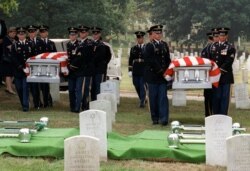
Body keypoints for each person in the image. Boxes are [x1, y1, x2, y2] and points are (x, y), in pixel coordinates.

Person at [144, 25, 171, 126]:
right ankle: (155, 118)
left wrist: (169, 70)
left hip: (163, 77)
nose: (159, 35)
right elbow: (150, 60)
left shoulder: (164, 45)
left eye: (160, 33)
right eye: (156, 33)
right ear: (152, 34)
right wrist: (160, 71)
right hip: (153, 76)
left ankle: (164, 118)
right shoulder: (149, 46)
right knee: (153, 97)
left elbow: (167, 59)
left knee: (163, 97)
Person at [209, 27, 236, 115]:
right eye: (220, 35)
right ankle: (216, 114)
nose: (221, 37)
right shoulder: (214, 46)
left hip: (225, 76)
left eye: (223, 35)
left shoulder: (230, 47)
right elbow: (211, 60)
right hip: (216, 77)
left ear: (226, 36)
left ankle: (223, 115)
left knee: (224, 97)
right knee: (216, 96)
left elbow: (229, 61)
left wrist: (220, 70)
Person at [11, 27, 34, 112]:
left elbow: (33, 56)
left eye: (23, 34)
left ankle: (25, 106)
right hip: (18, 70)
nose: (21, 36)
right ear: (17, 35)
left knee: (25, 88)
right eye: (20, 34)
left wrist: (28, 67)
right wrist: (21, 67)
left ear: (25, 35)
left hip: (27, 71)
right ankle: (23, 103)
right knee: (19, 88)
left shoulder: (30, 44)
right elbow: (13, 58)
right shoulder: (15, 45)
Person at [91, 27, 111, 100]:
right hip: (92, 69)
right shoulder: (90, 44)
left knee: (99, 86)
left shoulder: (104, 46)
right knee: (93, 87)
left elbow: (108, 56)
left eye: (96, 34)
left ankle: (99, 101)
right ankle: (93, 101)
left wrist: (104, 64)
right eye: (93, 34)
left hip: (100, 69)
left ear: (99, 34)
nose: (95, 35)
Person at [39, 25, 56, 108]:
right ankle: (44, 101)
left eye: (44, 32)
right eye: (41, 32)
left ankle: (47, 101)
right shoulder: (37, 43)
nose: (43, 33)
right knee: (41, 85)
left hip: (49, 67)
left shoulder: (51, 43)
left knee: (46, 85)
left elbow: (55, 54)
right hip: (39, 67)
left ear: (47, 32)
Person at [78, 25, 95, 111]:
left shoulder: (89, 43)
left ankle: (85, 104)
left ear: (87, 33)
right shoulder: (79, 43)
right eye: (80, 32)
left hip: (86, 70)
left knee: (86, 88)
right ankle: (82, 104)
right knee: (81, 88)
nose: (82, 33)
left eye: (83, 32)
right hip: (80, 70)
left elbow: (87, 57)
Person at [26, 25, 44, 109]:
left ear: (36, 32)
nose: (31, 33)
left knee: (37, 86)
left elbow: (44, 53)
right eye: (30, 32)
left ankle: (38, 103)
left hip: (39, 66)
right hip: (29, 67)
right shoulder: (26, 42)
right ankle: (32, 103)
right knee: (31, 86)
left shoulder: (40, 41)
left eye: (33, 31)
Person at [128, 31, 147, 108]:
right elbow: (130, 60)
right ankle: (142, 98)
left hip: (143, 68)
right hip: (136, 69)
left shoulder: (146, 47)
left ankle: (142, 101)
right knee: (136, 85)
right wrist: (130, 70)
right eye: (138, 38)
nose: (139, 39)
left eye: (141, 38)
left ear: (143, 38)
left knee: (142, 86)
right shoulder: (133, 48)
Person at [66, 27, 82, 113]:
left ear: (76, 35)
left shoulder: (79, 44)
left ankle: (77, 107)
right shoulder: (68, 44)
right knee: (71, 90)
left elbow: (78, 58)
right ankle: (72, 107)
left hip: (77, 70)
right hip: (70, 71)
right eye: (70, 34)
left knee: (78, 89)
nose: (72, 36)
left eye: (73, 35)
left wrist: (71, 66)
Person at [201, 31, 214, 117]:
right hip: (210, 76)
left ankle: (209, 114)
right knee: (209, 97)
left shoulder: (205, 50)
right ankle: (210, 114)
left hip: (210, 76)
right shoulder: (206, 50)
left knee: (210, 97)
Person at [1, 27, 17, 94]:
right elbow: (11, 47)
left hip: (11, 59)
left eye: (15, 33)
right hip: (6, 59)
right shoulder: (6, 39)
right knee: (8, 74)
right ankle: (9, 89)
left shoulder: (13, 39)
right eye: (13, 33)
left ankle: (8, 87)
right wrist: (15, 44)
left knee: (12, 74)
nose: (14, 34)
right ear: (9, 32)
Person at [0, 19, 7, 85]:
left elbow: (5, 33)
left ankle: (1, 80)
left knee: (1, 62)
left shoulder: (2, 22)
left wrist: (2, 39)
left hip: (1, 46)